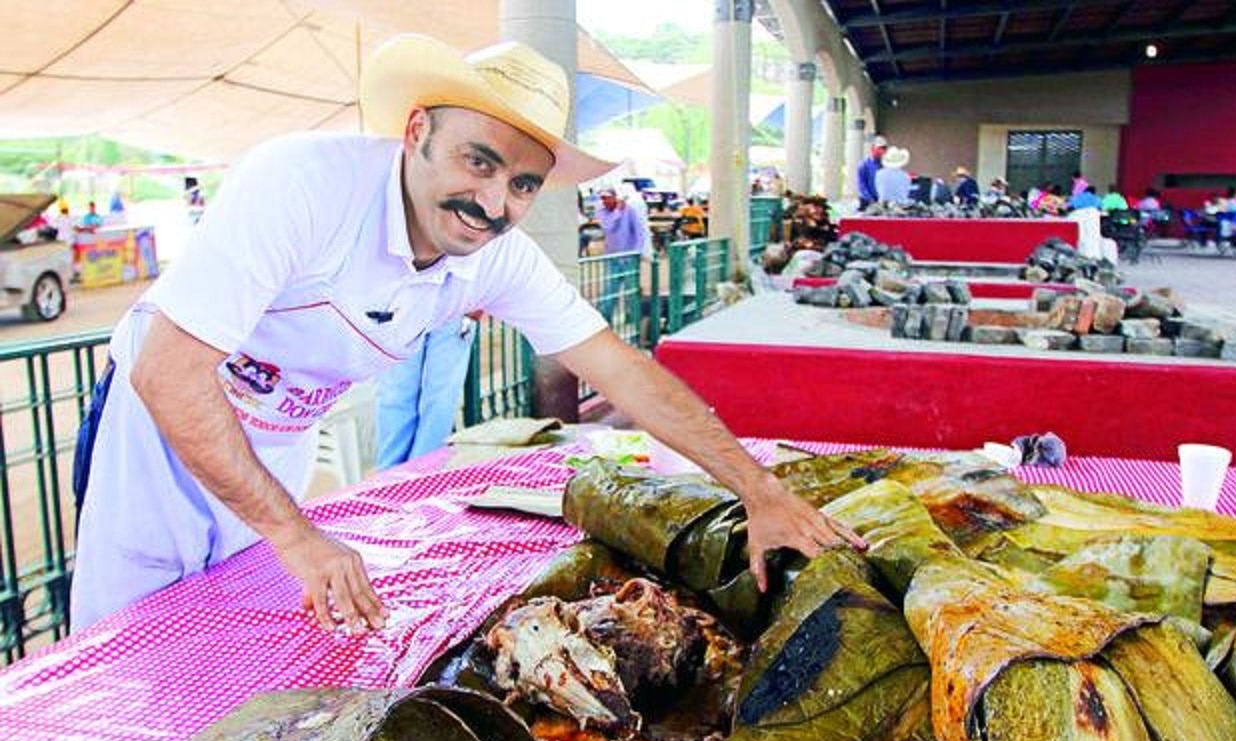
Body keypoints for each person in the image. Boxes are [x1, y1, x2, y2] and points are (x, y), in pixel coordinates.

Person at [69, 36, 860, 633]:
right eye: (477, 162)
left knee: (233, 631)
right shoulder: (299, 184)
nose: (493, 202)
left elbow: (622, 371)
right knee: (130, 639)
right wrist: (300, 535)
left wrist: (759, 490)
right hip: (159, 434)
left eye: (522, 184)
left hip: (277, 437)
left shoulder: (495, 257)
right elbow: (170, 374)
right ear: (416, 132)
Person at [375, 315, 476, 468]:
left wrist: (476, 308)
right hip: (399, 304)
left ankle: (421, 474)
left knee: (442, 396)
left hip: (456, 306)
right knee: (394, 394)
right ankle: (390, 477)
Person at [593, 187, 645, 320]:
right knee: (610, 290)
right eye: (603, 198)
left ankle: (633, 317)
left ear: (615, 197)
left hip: (629, 257)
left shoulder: (630, 210)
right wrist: (618, 211)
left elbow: (639, 232)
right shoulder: (601, 212)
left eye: (607, 198)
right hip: (612, 257)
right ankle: (605, 318)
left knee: (631, 289)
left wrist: (637, 252)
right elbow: (608, 227)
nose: (605, 201)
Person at [856, 135, 888, 211]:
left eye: (884, 148)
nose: (882, 151)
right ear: (873, 148)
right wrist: (871, 200)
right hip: (866, 201)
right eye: (880, 148)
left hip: (881, 201)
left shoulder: (884, 165)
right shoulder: (864, 165)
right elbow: (861, 185)